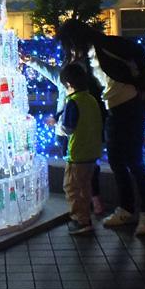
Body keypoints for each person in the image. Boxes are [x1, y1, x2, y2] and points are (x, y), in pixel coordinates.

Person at [59, 19, 145, 236]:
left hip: (130, 105)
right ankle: (126, 209)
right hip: (113, 108)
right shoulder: (86, 56)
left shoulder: (107, 45)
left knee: (134, 161)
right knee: (116, 161)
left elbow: (138, 54)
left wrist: (143, 86)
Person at [59, 62, 104, 236]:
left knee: (71, 188)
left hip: (77, 154)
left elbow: (68, 128)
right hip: (92, 153)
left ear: (69, 85)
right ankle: (86, 217)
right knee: (85, 187)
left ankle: (80, 220)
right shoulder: (91, 99)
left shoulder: (73, 102)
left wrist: (59, 126)